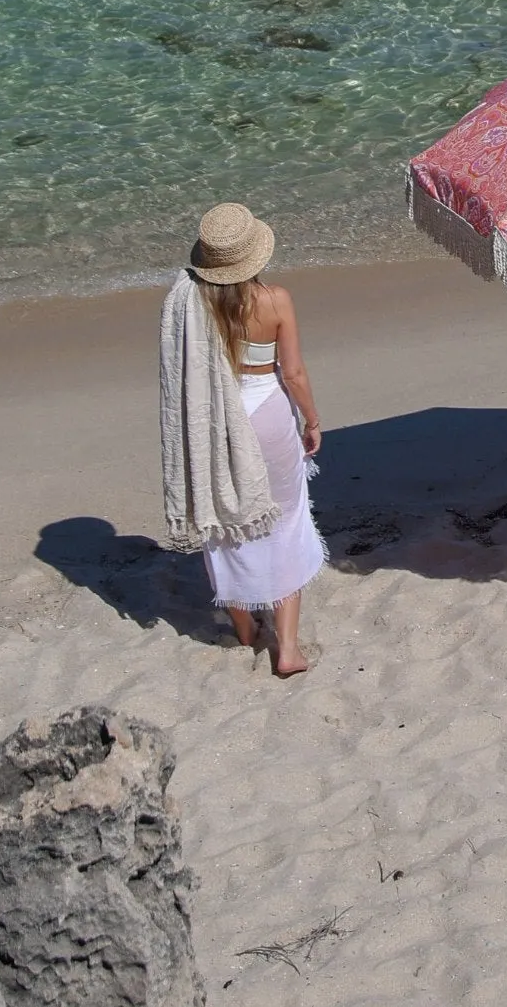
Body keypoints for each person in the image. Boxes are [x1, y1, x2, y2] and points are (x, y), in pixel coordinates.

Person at [165, 202, 326, 677]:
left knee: (224, 521)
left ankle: (246, 630)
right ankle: (289, 649)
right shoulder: (275, 300)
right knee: (285, 518)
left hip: (216, 418)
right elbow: (292, 373)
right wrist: (312, 420)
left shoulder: (192, 302)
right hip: (269, 414)